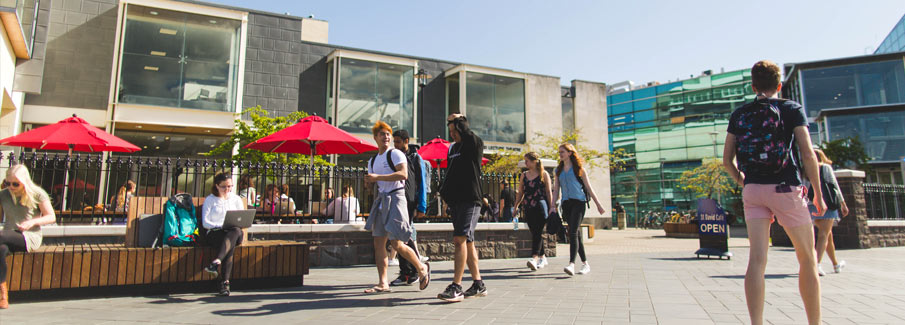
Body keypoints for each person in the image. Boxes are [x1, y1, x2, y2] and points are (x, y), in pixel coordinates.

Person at [723, 60, 824, 325]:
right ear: (779, 85)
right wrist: (818, 193)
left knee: (757, 260)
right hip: (786, 188)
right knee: (807, 257)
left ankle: (756, 323)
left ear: (753, 86)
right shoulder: (790, 108)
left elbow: (726, 161)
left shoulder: (739, 114)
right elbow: (807, 153)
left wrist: (742, 181)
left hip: (754, 190)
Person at [363, 121, 430, 294]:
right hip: (381, 200)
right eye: (382, 134)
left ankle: (421, 268)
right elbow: (374, 186)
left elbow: (403, 174)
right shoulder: (372, 160)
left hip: (396, 197)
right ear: (375, 138)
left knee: (397, 243)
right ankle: (382, 282)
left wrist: (378, 176)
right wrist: (369, 183)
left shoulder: (396, 154)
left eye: (388, 134)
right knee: (378, 242)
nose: (386, 137)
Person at [437, 113, 487, 302]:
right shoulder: (452, 149)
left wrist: (459, 120)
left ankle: (456, 286)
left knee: (459, 239)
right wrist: (445, 195)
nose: (452, 134)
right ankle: (478, 284)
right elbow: (452, 173)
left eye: (455, 130)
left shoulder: (474, 143)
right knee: (467, 242)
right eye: (450, 131)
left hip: (471, 199)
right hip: (456, 201)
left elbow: (467, 133)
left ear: (462, 128)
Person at [0, 165, 56, 309]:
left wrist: (32, 222)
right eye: (8, 183)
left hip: (28, 236)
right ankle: (3, 296)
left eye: (15, 184)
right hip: (6, 235)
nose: (11, 187)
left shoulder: (37, 194)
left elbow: (51, 217)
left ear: (24, 181)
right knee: (0, 250)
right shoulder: (4, 195)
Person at [552, 143, 606, 276]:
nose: (560, 154)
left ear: (570, 153)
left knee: (573, 232)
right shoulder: (558, 171)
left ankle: (571, 264)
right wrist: (552, 205)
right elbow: (556, 190)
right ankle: (585, 264)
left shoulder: (579, 169)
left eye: (562, 152)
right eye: (559, 152)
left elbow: (588, 187)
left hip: (579, 203)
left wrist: (599, 204)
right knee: (576, 233)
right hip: (566, 204)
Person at [388, 130, 431, 287]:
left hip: (409, 201)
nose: (396, 145)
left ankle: (412, 271)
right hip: (397, 200)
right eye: (395, 142)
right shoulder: (394, 156)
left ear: (406, 141)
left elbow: (422, 183)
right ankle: (408, 272)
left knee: (403, 237)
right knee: (400, 237)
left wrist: (422, 206)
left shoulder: (415, 158)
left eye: (398, 141)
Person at [201, 172, 246, 296]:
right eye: (224, 186)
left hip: (233, 232)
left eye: (230, 186)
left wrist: (230, 225)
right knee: (228, 245)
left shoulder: (236, 199)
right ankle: (225, 283)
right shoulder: (210, 200)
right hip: (216, 232)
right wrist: (220, 225)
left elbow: (241, 218)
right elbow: (205, 222)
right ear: (216, 186)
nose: (228, 189)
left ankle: (216, 262)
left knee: (235, 231)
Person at [809, 149, 848, 276]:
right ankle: (817, 264)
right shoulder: (825, 167)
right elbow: (834, 185)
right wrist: (843, 204)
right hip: (826, 204)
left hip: (810, 204)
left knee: (827, 235)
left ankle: (836, 264)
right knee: (823, 235)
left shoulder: (804, 169)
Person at [514, 152, 554, 271]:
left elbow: (548, 192)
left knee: (537, 231)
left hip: (541, 206)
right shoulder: (524, 175)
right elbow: (520, 192)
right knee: (534, 232)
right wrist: (516, 206)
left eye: (527, 161)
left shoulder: (544, 174)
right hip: (528, 207)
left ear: (534, 161)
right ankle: (542, 256)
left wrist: (552, 207)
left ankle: (534, 258)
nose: (525, 163)